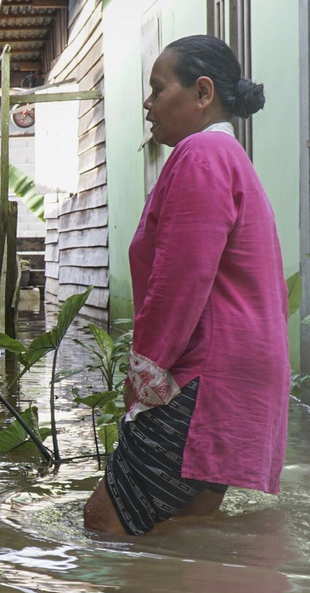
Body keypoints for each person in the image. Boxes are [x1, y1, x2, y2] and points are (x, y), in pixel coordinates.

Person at [83, 35, 290, 536]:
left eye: (157, 89)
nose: (148, 104)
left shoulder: (200, 154)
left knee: (104, 520)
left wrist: (145, 374)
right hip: (240, 373)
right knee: (189, 529)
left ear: (202, 93)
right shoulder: (228, 156)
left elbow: (181, 278)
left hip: (204, 374)